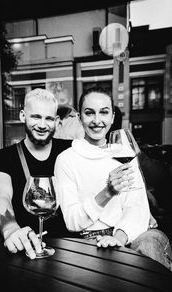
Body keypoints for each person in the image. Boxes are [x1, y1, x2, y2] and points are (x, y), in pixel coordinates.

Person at [54, 85, 172, 271]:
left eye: (104, 112)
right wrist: (108, 192)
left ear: (112, 118)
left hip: (131, 235)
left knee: (149, 243)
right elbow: (72, 221)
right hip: (89, 241)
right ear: (80, 118)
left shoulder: (123, 153)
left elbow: (136, 206)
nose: (97, 120)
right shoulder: (66, 160)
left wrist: (118, 239)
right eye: (89, 112)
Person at [0, 88, 72, 259]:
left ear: (56, 121)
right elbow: (1, 196)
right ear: (22, 116)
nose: (42, 125)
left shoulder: (70, 149)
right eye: (36, 116)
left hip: (61, 243)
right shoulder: (5, 156)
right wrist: (11, 229)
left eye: (48, 118)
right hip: (17, 239)